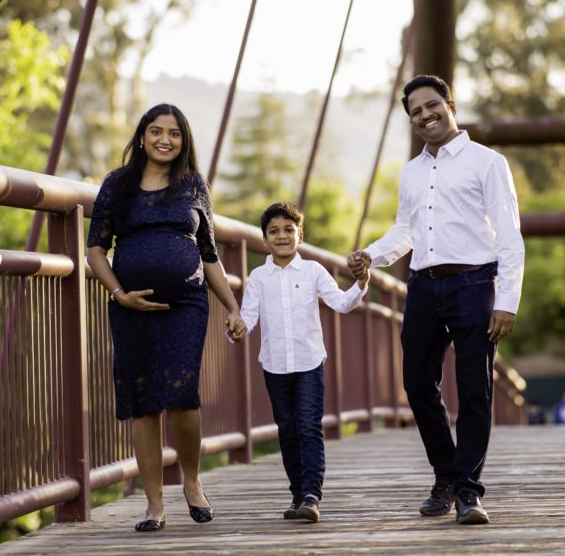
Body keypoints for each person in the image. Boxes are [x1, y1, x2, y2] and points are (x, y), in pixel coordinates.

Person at [347, 74, 525, 525]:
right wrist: (371, 255)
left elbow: (509, 234)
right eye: (416, 112)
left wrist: (507, 299)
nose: (425, 116)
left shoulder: (487, 162)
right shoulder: (411, 171)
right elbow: (405, 230)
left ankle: (467, 491)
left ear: (451, 106)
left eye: (432, 106)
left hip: (473, 284)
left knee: (475, 388)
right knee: (416, 383)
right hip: (423, 286)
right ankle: (446, 475)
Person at [86, 103, 244, 532]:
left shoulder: (193, 185)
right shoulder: (117, 184)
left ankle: (191, 480)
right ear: (142, 136)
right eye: (156, 131)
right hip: (130, 306)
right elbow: (96, 249)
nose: (164, 140)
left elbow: (209, 255)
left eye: (174, 133)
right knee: (143, 402)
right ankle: (154, 504)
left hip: (186, 305)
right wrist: (119, 293)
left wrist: (232, 307)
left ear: (183, 141)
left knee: (182, 394)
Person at [233, 202, 369, 523]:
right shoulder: (258, 277)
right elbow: (248, 318)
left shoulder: (314, 271)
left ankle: (311, 495)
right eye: (274, 231)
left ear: (300, 235)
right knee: (287, 430)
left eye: (289, 230)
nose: (282, 236)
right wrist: (236, 329)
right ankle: (297, 493)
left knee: (308, 426)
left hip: (309, 363)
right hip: (274, 366)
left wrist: (361, 284)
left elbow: (341, 303)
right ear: (264, 239)